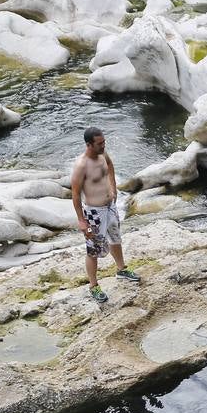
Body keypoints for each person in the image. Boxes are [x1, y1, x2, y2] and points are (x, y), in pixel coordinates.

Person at [70, 127, 139, 303]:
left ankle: (121, 269)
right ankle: (93, 286)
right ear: (89, 144)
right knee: (93, 250)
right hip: (94, 212)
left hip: (110, 208)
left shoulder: (103, 155)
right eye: (99, 144)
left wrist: (113, 188)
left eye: (104, 142)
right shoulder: (81, 165)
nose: (103, 146)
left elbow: (110, 166)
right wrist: (81, 221)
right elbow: (76, 195)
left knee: (116, 239)